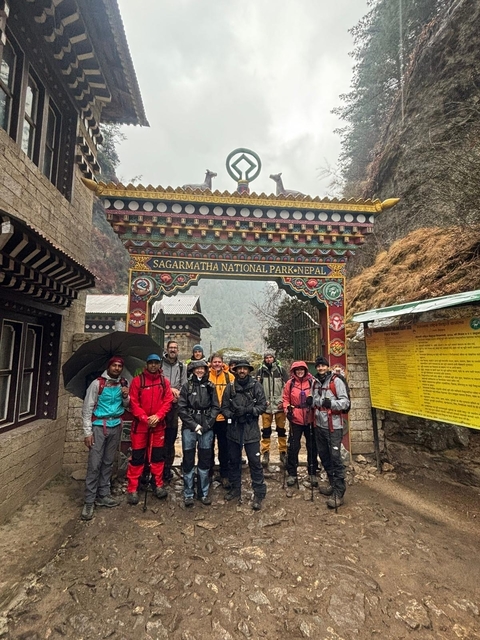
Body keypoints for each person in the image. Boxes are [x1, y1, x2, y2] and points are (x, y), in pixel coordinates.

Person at [81, 356, 130, 521]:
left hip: (115, 426)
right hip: (98, 427)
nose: (116, 368)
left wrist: (125, 396)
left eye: (119, 366)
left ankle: (104, 494)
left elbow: (126, 406)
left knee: (108, 462)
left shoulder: (123, 384)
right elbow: (87, 408)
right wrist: (87, 432)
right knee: (95, 463)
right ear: (109, 367)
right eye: (114, 365)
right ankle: (89, 500)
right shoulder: (97, 384)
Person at [126, 354, 173, 505]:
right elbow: (133, 402)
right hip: (140, 427)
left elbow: (168, 401)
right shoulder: (137, 381)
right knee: (138, 457)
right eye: (151, 363)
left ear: (160, 365)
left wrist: (158, 416)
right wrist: (145, 418)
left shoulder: (164, 382)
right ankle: (133, 488)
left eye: (156, 363)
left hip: (158, 426)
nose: (153, 366)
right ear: (146, 364)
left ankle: (157, 484)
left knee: (158, 457)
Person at [221, 360, 267, 510]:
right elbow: (224, 407)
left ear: (248, 370)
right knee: (234, 460)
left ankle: (259, 492)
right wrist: (232, 415)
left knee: (254, 461)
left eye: (244, 369)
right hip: (234, 430)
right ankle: (235, 488)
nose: (241, 371)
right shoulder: (230, 388)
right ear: (235, 371)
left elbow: (262, 405)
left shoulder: (256, 387)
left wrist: (249, 411)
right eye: (239, 368)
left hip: (251, 429)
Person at [178, 359, 220, 507]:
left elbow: (216, 407)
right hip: (190, 428)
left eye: (202, 369)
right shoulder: (186, 387)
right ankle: (188, 493)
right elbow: (181, 408)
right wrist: (193, 425)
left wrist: (207, 424)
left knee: (204, 459)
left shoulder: (210, 387)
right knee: (188, 459)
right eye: (197, 369)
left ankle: (203, 492)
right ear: (192, 371)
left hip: (206, 427)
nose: (200, 371)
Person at [311, 356, 350, 508]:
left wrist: (331, 403)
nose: (320, 368)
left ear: (327, 366)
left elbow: (345, 402)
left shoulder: (336, 381)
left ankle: (339, 493)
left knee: (335, 458)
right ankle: (332, 485)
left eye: (323, 366)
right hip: (319, 425)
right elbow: (316, 400)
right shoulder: (315, 382)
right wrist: (312, 401)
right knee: (324, 456)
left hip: (334, 425)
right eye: (318, 366)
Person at [283, 361, 317, 488]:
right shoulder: (290, 383)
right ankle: (292, 473)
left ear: (305, 370)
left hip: (310, 417)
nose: (300, 371)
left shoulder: (312, 382)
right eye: (297, 370)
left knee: (312, 446)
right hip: (295, 418)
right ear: (294, 371)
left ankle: (312, 472)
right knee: (293, 447)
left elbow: (317, 396)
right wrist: (287, 410)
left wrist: (312, 402)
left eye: (302, 369)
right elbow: (285, 398)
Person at [256, 349, 288, 467]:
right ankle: (265, 452)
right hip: (266, 406)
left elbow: (287, 386)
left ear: (274, 358)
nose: (269, 359)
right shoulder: (260, 372)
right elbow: (257, 389)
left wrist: (282, 400)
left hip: (279, 405)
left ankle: (283, 451)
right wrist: (262, 401)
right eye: (267, 357)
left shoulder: (280, 371)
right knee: (266, 430)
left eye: (270, 357)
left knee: (281, 430)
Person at [161, 340, 187, 483]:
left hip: (174, 406)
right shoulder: (159, 364)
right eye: (171, 347)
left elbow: (184, 385)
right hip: (160, 405)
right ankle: (157, 467)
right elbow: (158, 382)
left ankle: (167, 467)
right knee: (160, 437)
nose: (173, 350)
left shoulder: (182, 367)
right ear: (167, 349)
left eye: (175, 348)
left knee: (171, 437)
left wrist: (178, 394)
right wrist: (169, 390)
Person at [208, 352, 235, 488]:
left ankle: (225, 474)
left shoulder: (229, 377)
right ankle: (209, 473)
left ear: (222, 363)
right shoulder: (207, 376)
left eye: (219, 362)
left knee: (224, 447)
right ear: (211, 363)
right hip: (210, 418)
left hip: (224, 418)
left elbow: (234, 395)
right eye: (215, 362)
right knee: (208, 447)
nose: (217, 364)